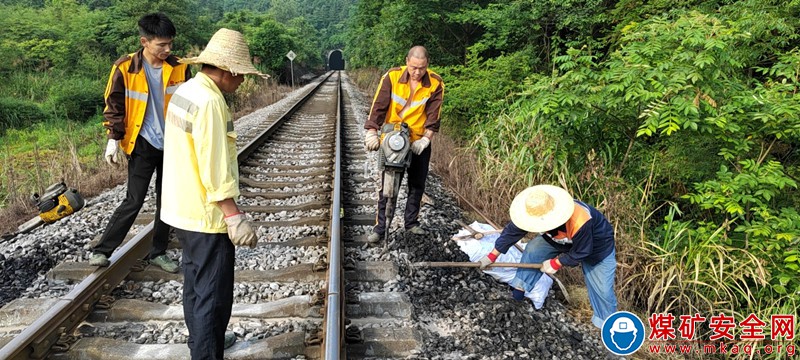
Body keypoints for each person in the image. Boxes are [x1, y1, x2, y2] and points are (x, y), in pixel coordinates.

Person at [160, 28, 262, 359]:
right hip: (206, 217)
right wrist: (233, 216)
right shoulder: (211, 103)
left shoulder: (186, 91)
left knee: (195, 289)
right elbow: (214, 166)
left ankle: (199, 347)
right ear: (226, 70)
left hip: (181, 210)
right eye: (241, 74)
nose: (242, 81)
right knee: (213, 298)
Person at [90, 13, 190, 273]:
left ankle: (158, 252)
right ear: (145, 41)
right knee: (134, 200)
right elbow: (113, 104)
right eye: (161, 45)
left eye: (170, 44)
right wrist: (113, 139)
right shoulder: (125, 67)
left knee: (166, 201)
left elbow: (191, 105)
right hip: (142, 143)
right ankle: (102, 250)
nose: (167, 50)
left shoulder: (180, 66)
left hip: (174, 143)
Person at [478, 184, 618, 328]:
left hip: (597, 246)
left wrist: (556, 262)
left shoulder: (579, 220)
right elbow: (511, 232)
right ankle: (517, 295)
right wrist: (492, 256)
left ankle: (608, 328)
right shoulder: (532, 213)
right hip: (559, 239)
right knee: (533, 250)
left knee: (603, 291)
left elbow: (582, 251)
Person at [364, 45, 444, 243]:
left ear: (428, 66)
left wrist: (426, 139)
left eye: (422, 68)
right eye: (414, 67)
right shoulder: (391, 77)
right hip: (392, 138)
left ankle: (411, 224)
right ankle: (381, 228)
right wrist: (372, 132)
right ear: (407, 61)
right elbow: (379, 106)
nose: (417, 72)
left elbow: (434, 115)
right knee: (387, 186)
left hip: (417, 140)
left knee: (417, 184)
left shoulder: (436, 83)